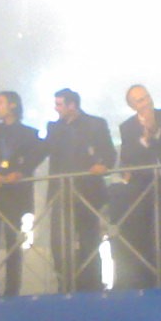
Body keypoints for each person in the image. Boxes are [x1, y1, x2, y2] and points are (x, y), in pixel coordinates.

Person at [43, 88, 117, 293]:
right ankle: (64, 284)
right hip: (61, 193)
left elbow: (109, 154)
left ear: (72, 105)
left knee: (89, 241)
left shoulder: (95, 124)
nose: (55, 108)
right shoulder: (54, 128)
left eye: (59, 104)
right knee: (59, 243)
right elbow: (41, 151)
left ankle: (92, 285)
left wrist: (102, 165)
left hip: (87, 193)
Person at [0, 91, 43, 297]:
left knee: (13, 244)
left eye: (0, 103)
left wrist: (19, 172)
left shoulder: (29, 133)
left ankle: (12, 290)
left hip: (15, 195)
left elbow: (33, 159)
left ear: (12, 106)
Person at [115, 84, 161, 290]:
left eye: (147, 97)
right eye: (140, 100)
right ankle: (150, 280)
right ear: (133, 106)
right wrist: (145, 140)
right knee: (147, 234)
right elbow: (128, 158)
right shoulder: (127, 128)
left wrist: (156, 132)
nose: (146, 102)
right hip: (144, 188)